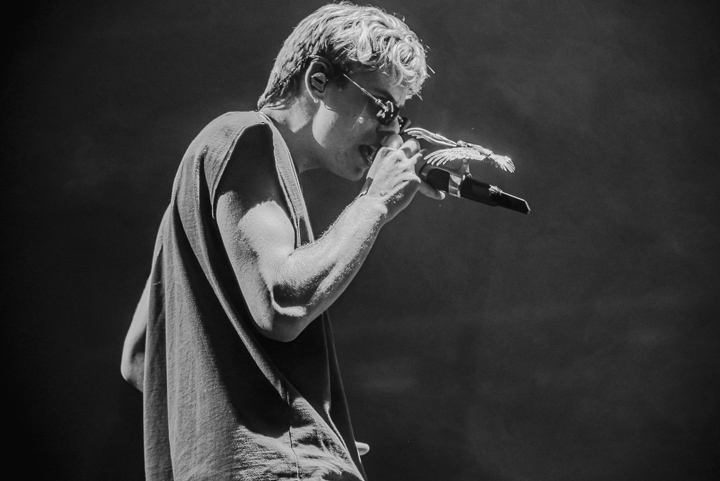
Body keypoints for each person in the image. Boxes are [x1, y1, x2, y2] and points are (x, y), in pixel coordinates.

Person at [121, 2, 443, 479]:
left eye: (398, 114)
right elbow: (282, 303)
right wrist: (375, 202)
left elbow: (140, 357)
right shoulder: (243, 135)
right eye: (381, 105)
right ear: (318, 80)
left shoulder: (199, 192)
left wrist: (299, 421)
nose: (391, 129)